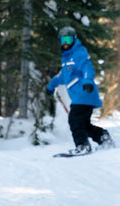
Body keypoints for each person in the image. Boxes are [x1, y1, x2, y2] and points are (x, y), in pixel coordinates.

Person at [45, 26, 114, 155]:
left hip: (84, 92)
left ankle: (82, 146)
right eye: (63, 40)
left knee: (74, 119)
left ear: (74, 39)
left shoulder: (79, 53)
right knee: (83, 125)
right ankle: (103, 137)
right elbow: (63, 77)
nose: (66, 43)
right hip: (80, 96)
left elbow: (87, 68)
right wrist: (51, 86)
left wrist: (87, 81)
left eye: (68, 39)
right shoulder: (66, 58)